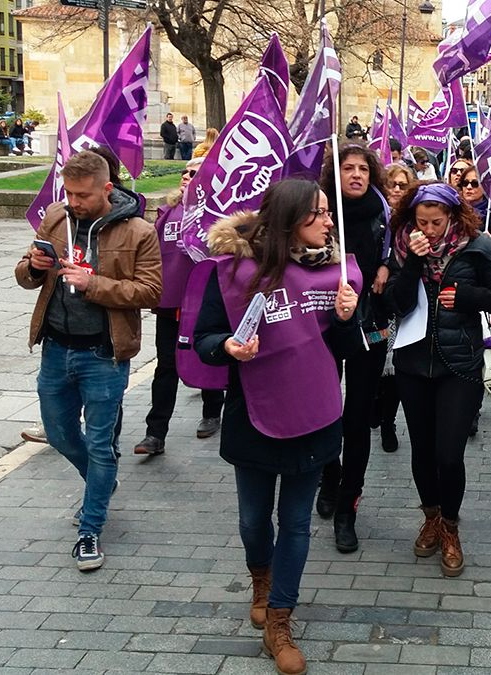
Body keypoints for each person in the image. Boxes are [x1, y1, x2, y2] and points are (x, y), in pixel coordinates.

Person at [192, 179, 362, 675]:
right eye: (318, 215)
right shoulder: (236, 271)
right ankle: (260, 581)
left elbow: (350, 345)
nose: (329, 223)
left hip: (315, 412)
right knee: (252, 520)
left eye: (329, 213)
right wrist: (226, 346)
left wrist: (350, 317)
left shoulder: (335, 270)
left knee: (296, 523)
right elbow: (204, 336)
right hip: (255, 415)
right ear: (289, 220)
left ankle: (280, 619)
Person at [14, 150, 162, 571]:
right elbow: (25, 275)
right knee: (60, 434)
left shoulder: (138, 231)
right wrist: (34, 266)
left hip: (103, 353)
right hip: (55, 348)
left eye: (82, 194)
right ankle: (103, 481)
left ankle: (90, 529)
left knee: (100, 444)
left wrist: (94, 283)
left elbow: (151, 291)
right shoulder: (56, 218)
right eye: (69, 192)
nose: (74, 201)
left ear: (106, 189)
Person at [383, 182, 491, 577]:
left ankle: (451, 526)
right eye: (421, 222)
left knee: (448, 454)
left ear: (453, 217)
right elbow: (397, 304)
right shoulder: (402, 244)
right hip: (412, 362)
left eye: (436, 222)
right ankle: (431, 516)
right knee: (422, 451)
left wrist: (468, 297)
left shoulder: (476, 245)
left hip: (459, 363)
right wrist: (410, 265)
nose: (428, 230)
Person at [316, 143, 393, 554]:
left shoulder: (384, 213)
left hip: (371, 327)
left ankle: (349, 506)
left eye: (363, 168)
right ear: (337, 173)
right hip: (327, 327)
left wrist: (386, 266)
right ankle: (329, 476)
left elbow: (400, 261)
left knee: (358, 416)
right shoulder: (321, 214)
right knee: (326, 410)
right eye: (348, 168)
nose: (357, 175)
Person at [134, 158, 226, 456]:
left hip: (204, 303)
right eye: (185, 172)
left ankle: (213, 410)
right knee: (166, 366)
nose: (187, 176)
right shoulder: (167, 213)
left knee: (207, 356)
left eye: (195, 173)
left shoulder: (217, 216)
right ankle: (155, 433)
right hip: (170, 305)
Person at [373, 164, 417, 453]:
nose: (397, 190)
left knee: (395, 373)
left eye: (403, 185)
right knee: (375, 365)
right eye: (392, 185)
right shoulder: (374, 219)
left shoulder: (414, 223)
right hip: (375, 311)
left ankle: (388, 421)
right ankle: (375, 408)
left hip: (404, 311)